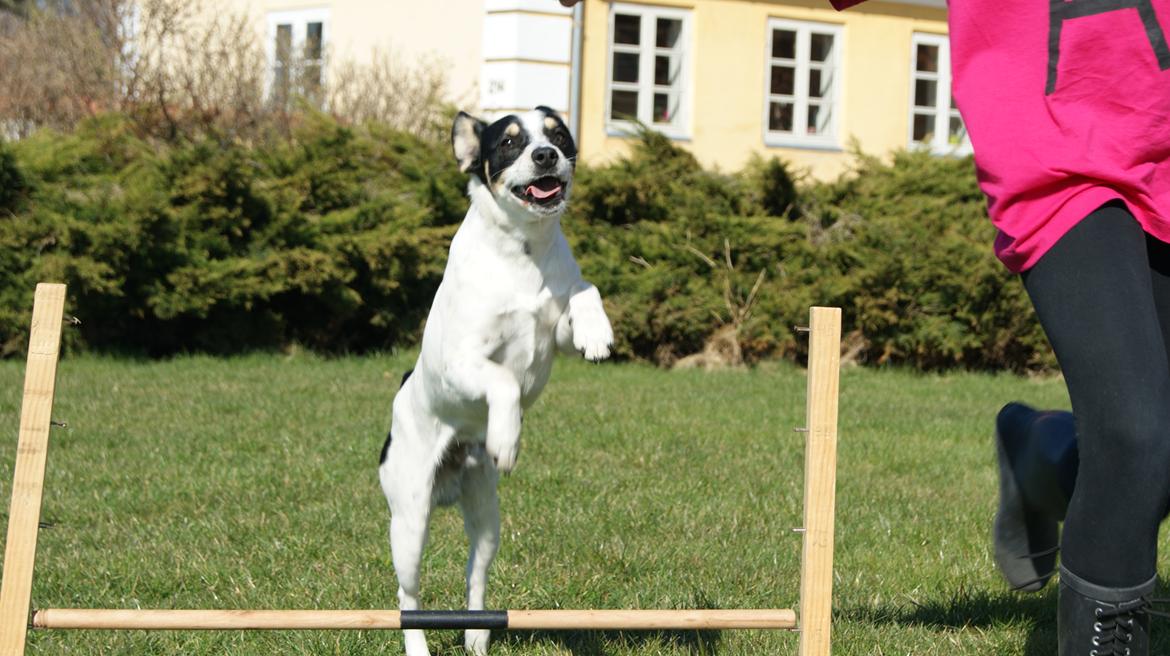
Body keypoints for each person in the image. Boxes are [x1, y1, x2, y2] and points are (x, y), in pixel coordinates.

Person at [558, 0, 1170, 653]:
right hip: (1056, 141)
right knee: (1135, 437)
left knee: (1153, 450)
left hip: (1158, 131)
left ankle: (1043, 452)